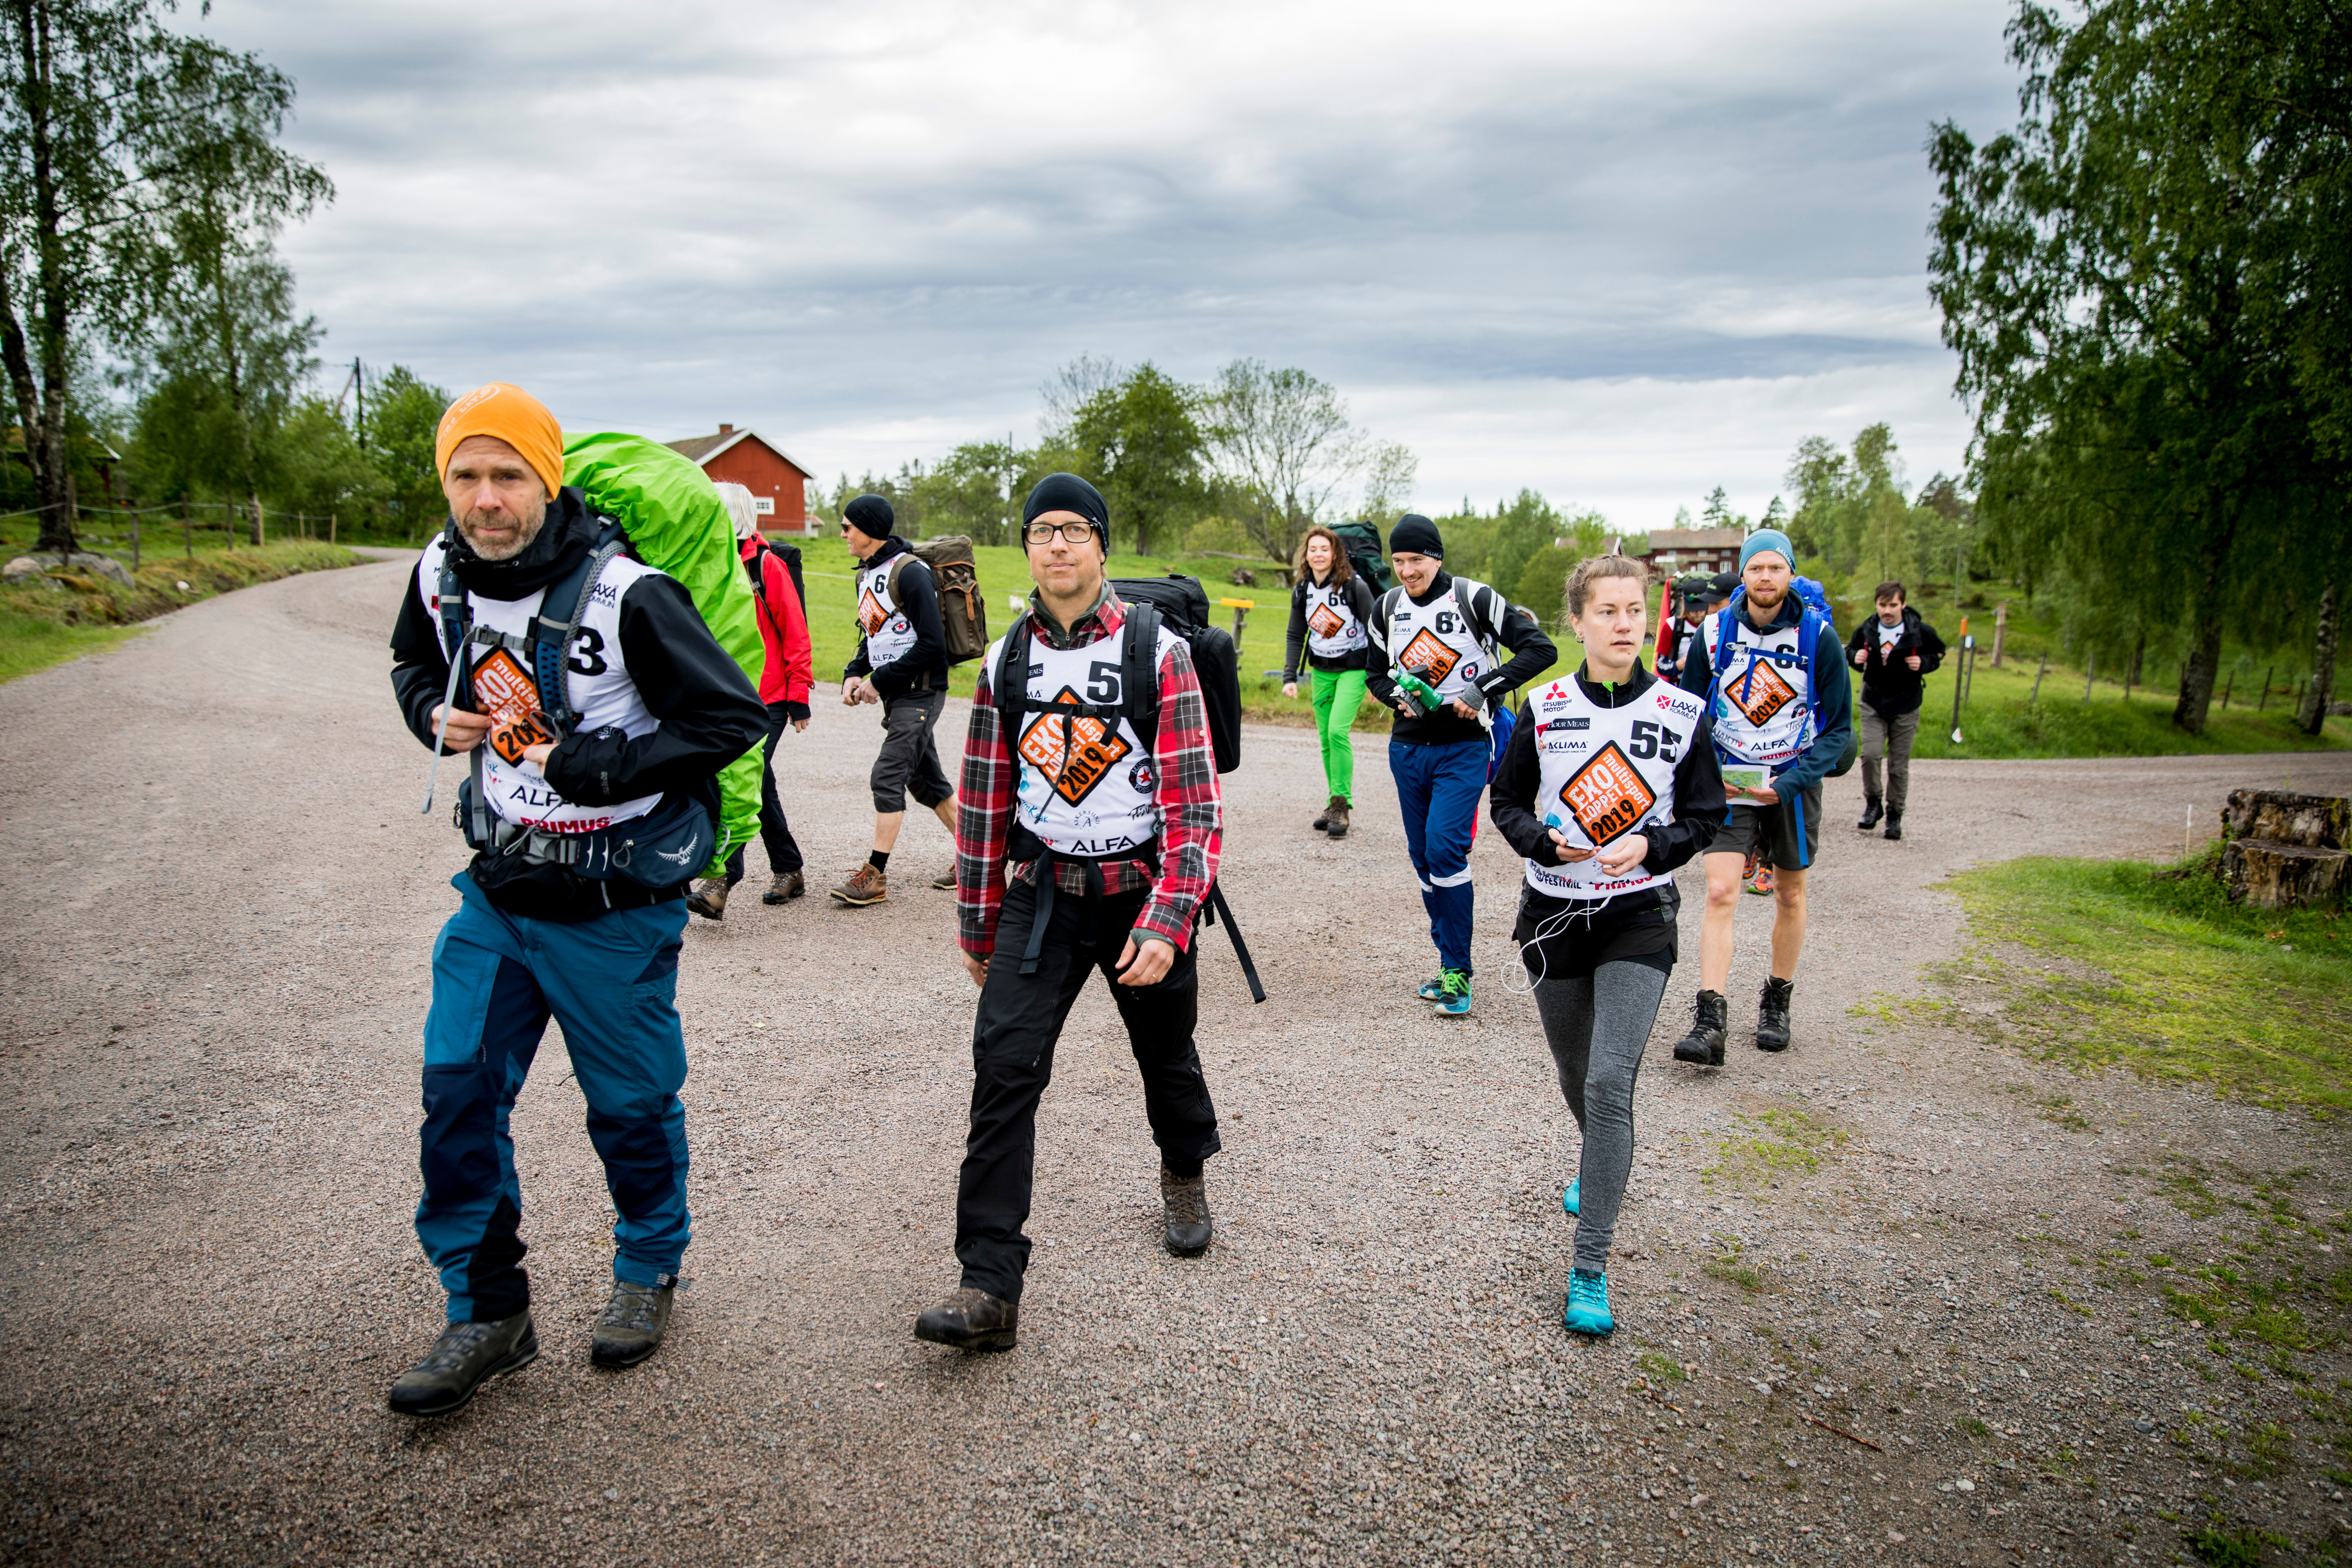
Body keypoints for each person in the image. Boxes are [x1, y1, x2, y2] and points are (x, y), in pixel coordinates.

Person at [384, 384, 767, 1415]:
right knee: (456, 1093)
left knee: (629, 1107)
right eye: (466, 474)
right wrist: (433, 707)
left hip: (613, 901)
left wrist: (602, 762)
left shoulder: (631, 595)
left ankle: (648, 1267)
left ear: (546, 478)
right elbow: (412, 660)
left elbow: (732, 715)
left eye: (507, 473)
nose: (485, 498)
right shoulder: (437, 573)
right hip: (499, 892)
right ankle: (487, 1309)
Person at [916, 474, 1223, 1353]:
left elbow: (1194, 807)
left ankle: (1184, 1170)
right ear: (1026, 549)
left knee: (1166, 1052)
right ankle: (989, 1287)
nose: (1057, 545)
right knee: (1003, 1069)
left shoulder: (1157, 652)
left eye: (1074, 531)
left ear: (1100, 546)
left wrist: (1169, 920)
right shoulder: (1006, 658)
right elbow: (983, 803)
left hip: (1140, 895)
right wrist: (977, 925)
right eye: (1041, 531)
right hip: (1043, 896)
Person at [1492, 555, 1724, 1336]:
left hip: (1638, 918)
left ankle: (1589, 1265)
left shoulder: (1684, 712)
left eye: (1635, 610)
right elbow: (1507, 800)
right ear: (1580, 622)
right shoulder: (1545, 705)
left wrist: (1655, 847)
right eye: (1609, 611)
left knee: (1610, 1081)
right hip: (1554, 916)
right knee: (1576, 1070)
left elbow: (1705, 815)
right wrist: (1542, 840)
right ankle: (1603, 1161)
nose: (1624, 624)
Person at [1668, 528, 1851, 1063]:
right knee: (1722, 892)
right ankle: (1710, 1018)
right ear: (1743, 575)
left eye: (1775, 568)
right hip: (1730, 783)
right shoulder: (1713, 635)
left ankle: (1776, 1000)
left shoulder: (1819, 637)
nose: (1765, 578)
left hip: (1792, 781)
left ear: (1790, 573)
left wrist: (1791, 783)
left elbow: (1839, 731)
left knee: (1790, 894)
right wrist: (1704, 774)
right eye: (1756, 568)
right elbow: (1688, 714)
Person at [1365, 513, 1557, 1016]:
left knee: (1445, 848)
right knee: (1422, 857)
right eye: (1399, 561)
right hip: (1407, 749)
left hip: (1466, 747)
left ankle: (1458, 970)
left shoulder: (1475, 598)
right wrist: (1399, 698)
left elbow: (1542, 649)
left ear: (1438, 557)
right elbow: (1375, 675)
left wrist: (1481, 690)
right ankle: (1448, 958)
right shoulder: (1386, 607)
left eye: (1417, 560)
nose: (1407, 571)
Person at [687, 482, 813, 918]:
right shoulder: (702, 564)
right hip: (720, 696)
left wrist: (799, 696)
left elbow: (795, 630)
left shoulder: (766, 565)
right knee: (759, 781)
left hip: (768, 698)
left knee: (741, 779)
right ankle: (790, 868)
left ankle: (722, 877)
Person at [834, 495, 959, 904]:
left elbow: (932, 645)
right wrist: (855, 671)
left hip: (921, 691)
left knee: (887, 776)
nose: (843, 534)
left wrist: (879, 681)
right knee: (927, 783)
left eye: (848, 526)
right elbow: (872, 635)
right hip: (899, 695)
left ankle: (875, 876)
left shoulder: (911, 573)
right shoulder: (866, 575)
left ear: (869, 529)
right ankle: (980, 859)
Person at [1281, 523, 1377, 838]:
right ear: (1306, 556)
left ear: (1336, 553)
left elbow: (1377, 634)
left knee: (1338, 731)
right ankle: (1334, 803)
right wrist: (1290, 676)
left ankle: (1342, 804)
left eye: (1325, 549)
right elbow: (1297, 633)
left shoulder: (1354, 587)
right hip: (1321, 671)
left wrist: (1379, 679)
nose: (1318, 554)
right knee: (1325, 740)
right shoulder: (1303, 589)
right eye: (1313, 550)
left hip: (1354, 669)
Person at [1847, 580, 1944, 842]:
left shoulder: (1919, 631)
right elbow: (1851, 650)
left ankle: (1894, 815)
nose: (1887, 611)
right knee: (1870, 755)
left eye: (1893, 605)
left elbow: (1939, 652)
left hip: (1906, 704)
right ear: (1876, 604)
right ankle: (1873, 804)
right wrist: (1855, 658)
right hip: (1873, 702)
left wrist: (1923, 662)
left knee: (1899, 767)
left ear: (1903, 604)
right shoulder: (1868, 629)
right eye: (1882, 605)